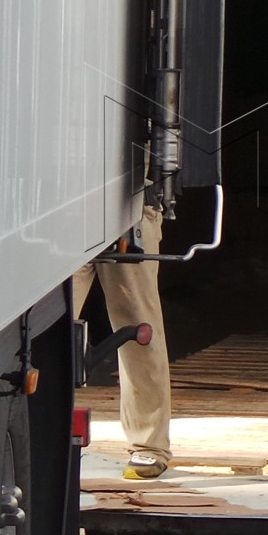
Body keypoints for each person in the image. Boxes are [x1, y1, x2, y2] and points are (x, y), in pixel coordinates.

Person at [73, 203, 174, 479]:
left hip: (129, 204)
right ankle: (34, 433)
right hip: (67, 205)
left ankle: (149, 444)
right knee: (45, 329)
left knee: (138, 328)